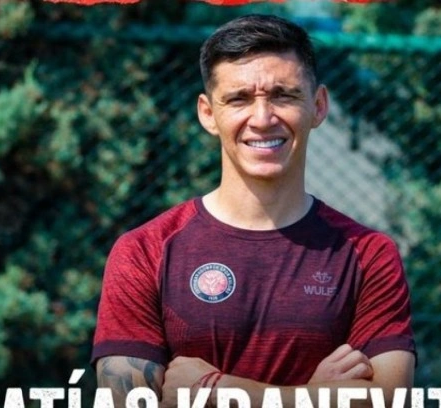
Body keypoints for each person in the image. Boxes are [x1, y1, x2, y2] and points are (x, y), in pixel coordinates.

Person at [91, 14, 416, 408]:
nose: (262, 119)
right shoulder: (145, 251)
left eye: (283, 96)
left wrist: (219, 391)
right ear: (208, 113)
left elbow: (388, 400)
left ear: (318, 106)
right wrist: (313, 397)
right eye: (239, 99)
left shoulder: (368, 254)